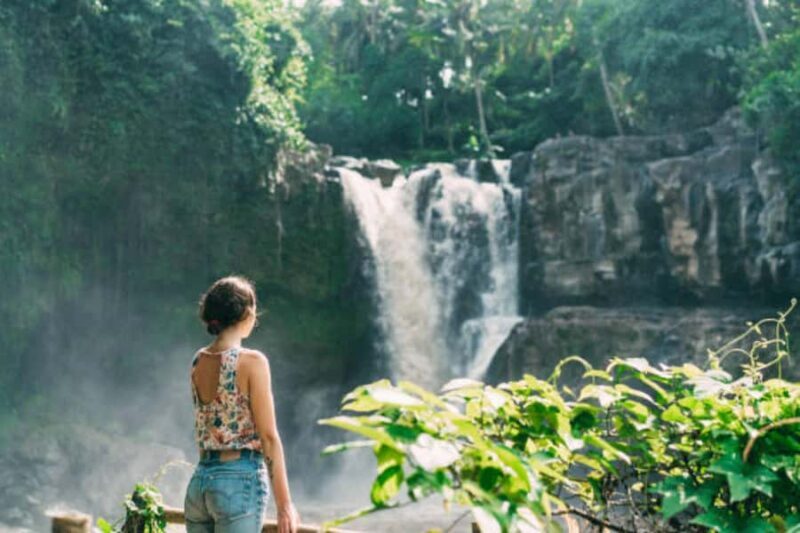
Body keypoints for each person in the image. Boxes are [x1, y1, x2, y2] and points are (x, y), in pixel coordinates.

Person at [184, 275, 300, 533]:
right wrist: (285, 505)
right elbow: (268, 437)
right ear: (247, 313)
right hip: (237, 482)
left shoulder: (198, 361)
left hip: (200, 483)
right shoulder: (252, 362)